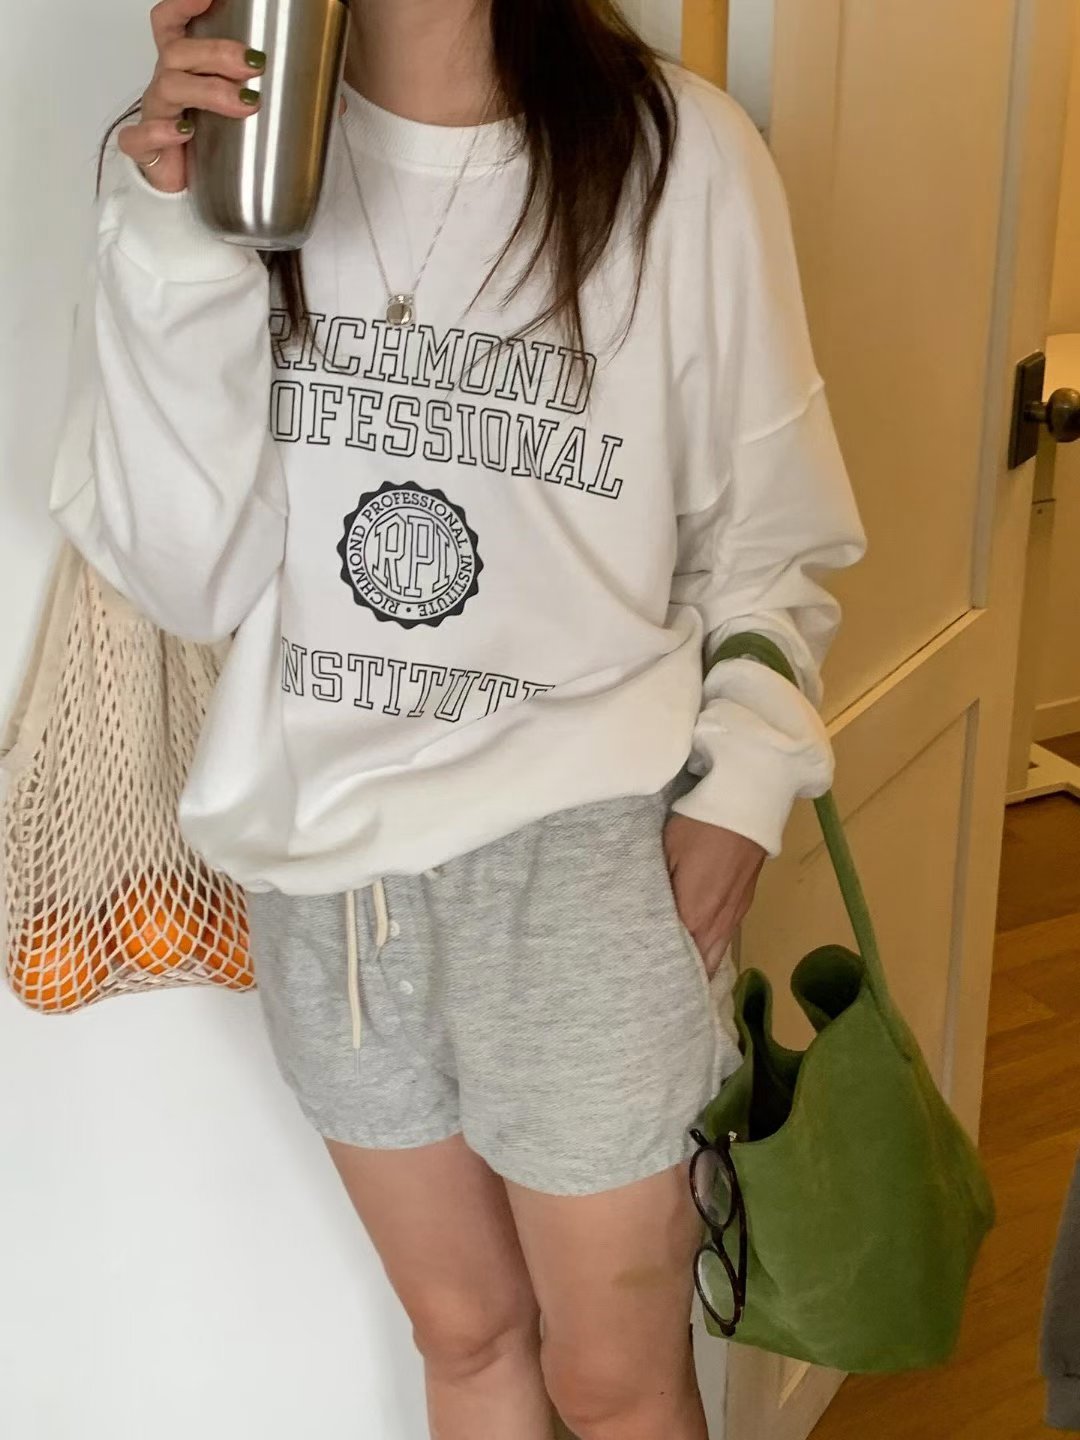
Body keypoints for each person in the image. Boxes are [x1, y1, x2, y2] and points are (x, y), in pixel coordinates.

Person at [52, 1, 865, 1435]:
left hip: (586, 860)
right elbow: (190, 576)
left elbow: (770, 533)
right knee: (466, 1335)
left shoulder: (679, 156)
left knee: (616, 1382)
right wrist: (173, 223)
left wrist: (743, 790)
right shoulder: (232, 162)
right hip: (333, 881)